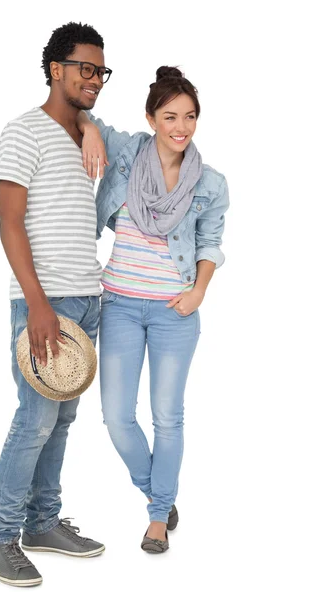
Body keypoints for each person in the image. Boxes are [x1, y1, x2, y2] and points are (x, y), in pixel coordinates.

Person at [0, 22, 112, 587]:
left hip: (89, 296)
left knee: (62, 419)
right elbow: (9, 224)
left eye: (102, 71)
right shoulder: (22, 132)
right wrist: (36, 303)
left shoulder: (84, 131)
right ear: (56, 69)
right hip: (45, 300)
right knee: (34, 420)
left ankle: (42, 522)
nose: (96, 79)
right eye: (86, 68)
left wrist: (88, 123)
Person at [78, 66, 229, 553]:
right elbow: (83, 113)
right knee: (116, 416)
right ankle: (160, 496)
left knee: (168, 416)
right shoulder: (128, 153)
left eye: (189, 117)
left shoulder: (210, 182)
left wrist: (199, 291)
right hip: (120, 303)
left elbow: (209, 244)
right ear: (151, 118)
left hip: (174, 311)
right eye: (170, 117)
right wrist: (86, 131)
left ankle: (157, 519)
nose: (180, 127)